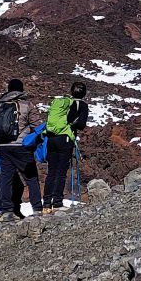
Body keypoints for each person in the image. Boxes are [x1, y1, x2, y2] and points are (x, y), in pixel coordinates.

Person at [0, 79, 43, 221]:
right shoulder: (27, 105)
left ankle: (7, 211)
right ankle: (37, 209)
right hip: (22, 146)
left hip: (3, 147)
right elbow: (37, 125)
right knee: (31, 177)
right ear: (21, 89)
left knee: (6, 178)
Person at [42, 82, 89, 212]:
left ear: (71, 91)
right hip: (65, 139)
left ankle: (46, 204)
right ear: (84, 93)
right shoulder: (82, 105)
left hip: (51, 138)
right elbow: (81, 124)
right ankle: (57, 203)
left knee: (51, 171)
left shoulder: (63, 102)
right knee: (61, 171)